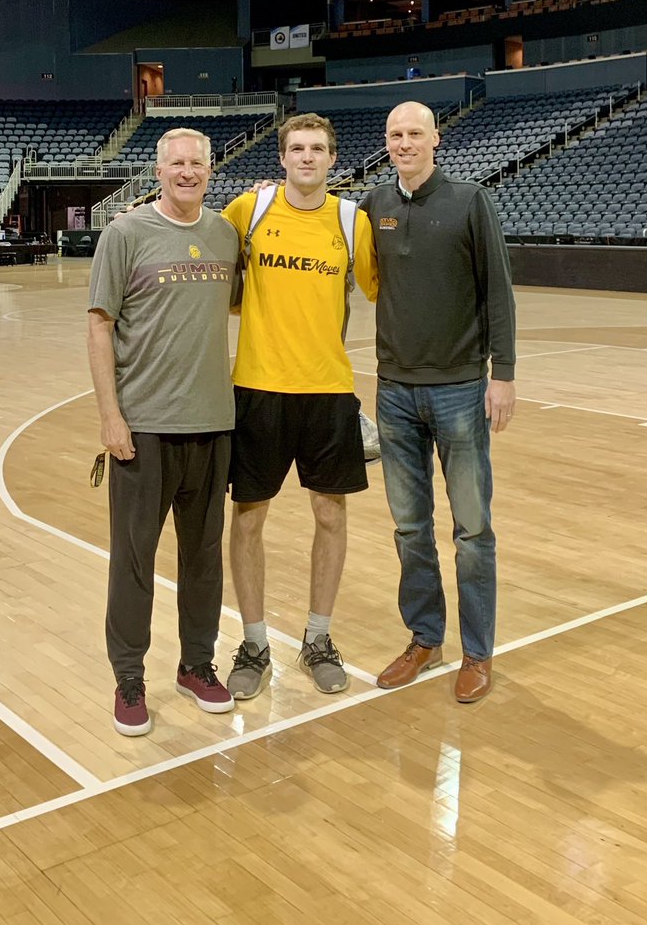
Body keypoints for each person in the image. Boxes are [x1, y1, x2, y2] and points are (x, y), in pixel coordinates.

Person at [361, 100, 516, 703]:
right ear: (388, 141)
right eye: (395, 134)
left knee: (473, 528)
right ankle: (426, 638)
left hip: (459, 388)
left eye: (415, 134)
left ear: (435, 139)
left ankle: (477, 653)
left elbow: (497, 291)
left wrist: (501, 373)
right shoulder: (373, 205)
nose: (404, 143)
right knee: (409, 527)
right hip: (394, 390)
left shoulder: (469, 201)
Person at [87, 127, 240, 736]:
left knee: (203, 560)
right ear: (158, 169)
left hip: (212, 424)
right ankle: (129, 677)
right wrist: (110, 415)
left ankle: (196, 664)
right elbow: (100, 327)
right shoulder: (124, 234)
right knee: (133, 561)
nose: (187, 172)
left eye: (197, 163)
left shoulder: (226, 234)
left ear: (209, 168)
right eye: (176, 163)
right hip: (143, 428)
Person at [221, 113, 378, 699]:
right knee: (248, 518)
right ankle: (255, 642)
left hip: (328, 389)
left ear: (332, 160)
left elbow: (385, 288)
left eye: (317, 149)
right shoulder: (249, 211)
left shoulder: (350, 221)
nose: (307, 157)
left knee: (331, 516)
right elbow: (206, 266)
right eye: (297, 148)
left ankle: (318, 638)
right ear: (281, 158)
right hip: (258, 387)